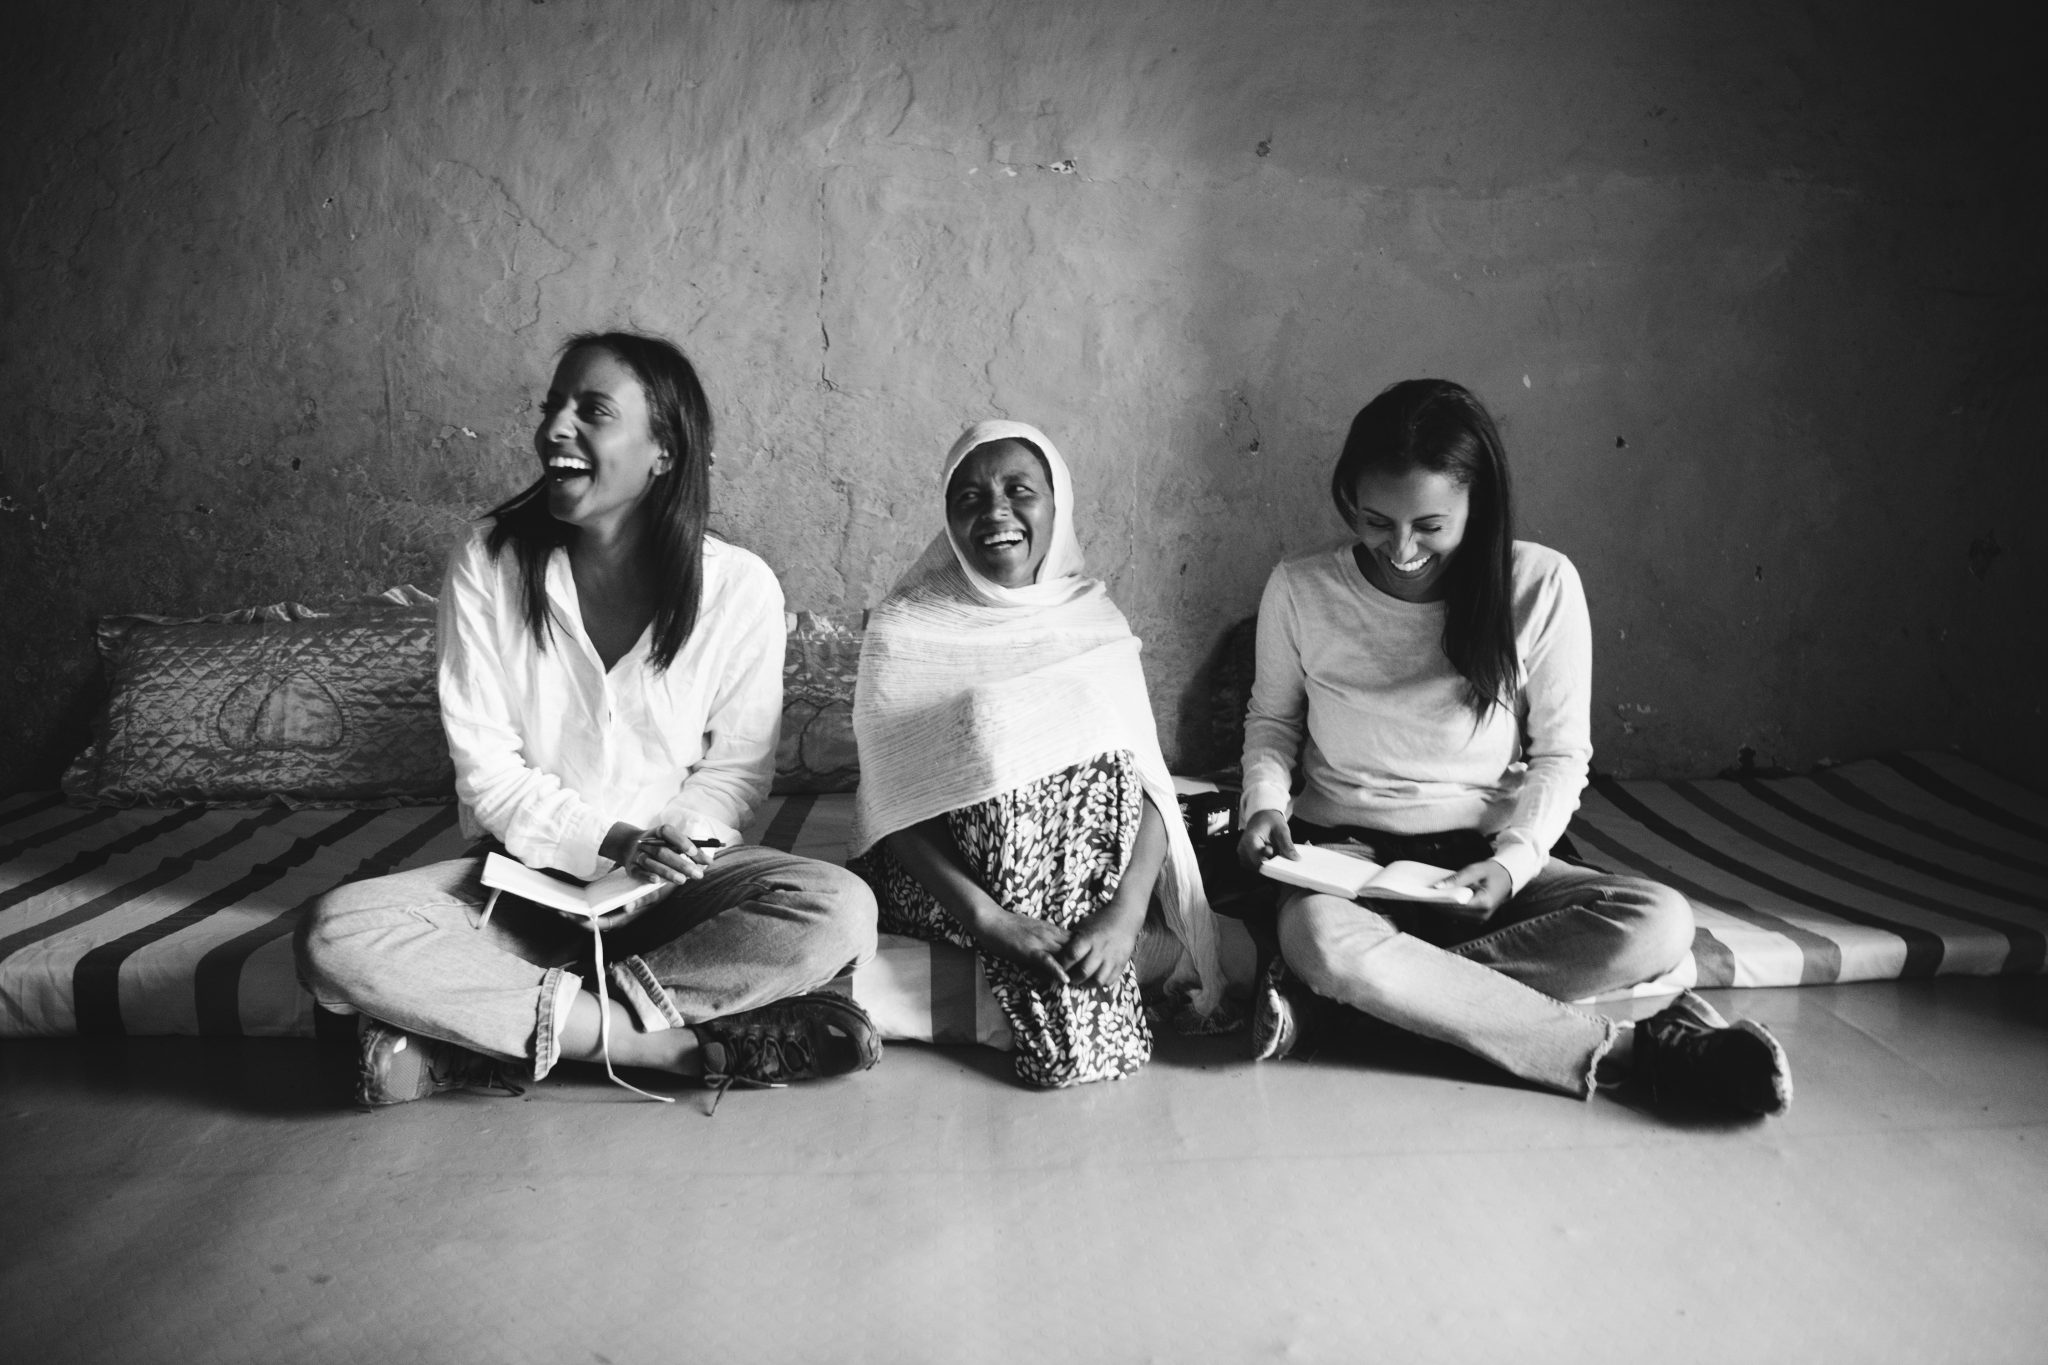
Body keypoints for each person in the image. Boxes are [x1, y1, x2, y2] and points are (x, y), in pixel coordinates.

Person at [297, 331, 880, 1108]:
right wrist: (610, 841)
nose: (554, 430)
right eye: (552, 408)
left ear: (662, 450)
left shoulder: (740, 589)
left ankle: (491, 1041)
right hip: (523, 888)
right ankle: (667, 1047)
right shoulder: (488, 561)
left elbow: (736, 771)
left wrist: (669, 847)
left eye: (592, 412)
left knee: (839, 908)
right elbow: (489, 773)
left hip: (675, 892)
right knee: (334, 933)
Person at [1239, 379, 1792, 1116]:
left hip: (1480, 868)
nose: (1401, 549)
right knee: (1322, 942)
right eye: (1376, 521)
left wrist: (1513, 862)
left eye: (1430, 525)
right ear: (1350, 499)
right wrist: (1263, 804)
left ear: (1478, 506)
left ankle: (1351, 1008)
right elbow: (1271, 724)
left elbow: (1562, 755)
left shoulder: (1539, 583)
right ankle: (1627, 1051)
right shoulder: (1300, 589)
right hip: (1344, 866)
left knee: (1660, 919)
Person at [849, 420, 1233, 1089]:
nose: (994, 511)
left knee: (1094, 760)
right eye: (967, 498)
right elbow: (892, 803)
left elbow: (1150, 786)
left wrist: (1121, 917)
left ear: (1057, 507)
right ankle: (1079, 1023)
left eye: (1018, 490)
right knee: (1000, 733)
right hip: (949, 881)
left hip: (1083, 880)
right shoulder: (906, 624)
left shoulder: (1094, 619)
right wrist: (988, 919)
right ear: (948, 521)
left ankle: (1078, 986)